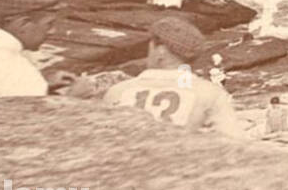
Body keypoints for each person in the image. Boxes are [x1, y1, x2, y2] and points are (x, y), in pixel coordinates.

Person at [104, 16, 243, 136]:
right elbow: (236, 144)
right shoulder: (211, 94)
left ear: (161, 52)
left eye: (150, 46)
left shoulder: (117, 92)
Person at [0, 0, 62, 99]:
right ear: (23, 24)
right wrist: (76, 96)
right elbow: (36, 115)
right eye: (49, 24)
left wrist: (44, 86)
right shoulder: (18, 69)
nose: (53, 31)